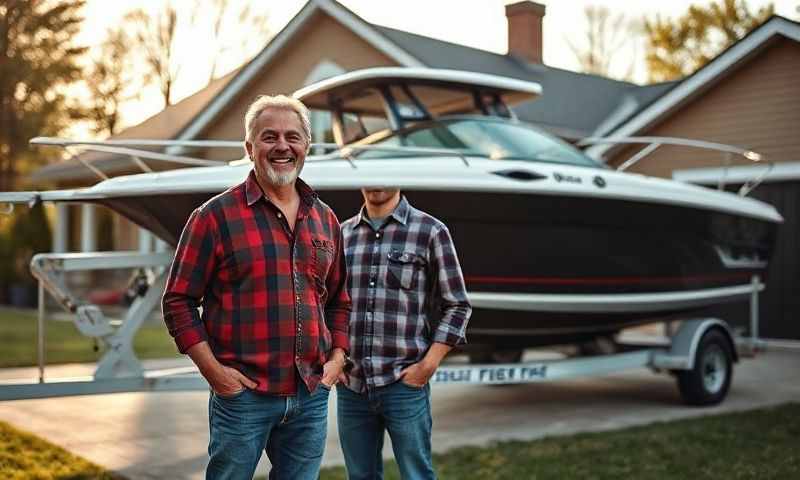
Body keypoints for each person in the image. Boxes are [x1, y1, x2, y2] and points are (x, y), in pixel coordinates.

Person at [162, 95, 351, 480]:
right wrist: (214, 372)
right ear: (250, 148)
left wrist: (337, 359)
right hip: (242, 398)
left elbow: (339, 299)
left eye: (293, 137)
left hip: (310, 395)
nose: (282, 146)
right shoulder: (214, 217)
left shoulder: (326, 218)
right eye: (269, 137)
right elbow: (178, 301)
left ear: (306, 147)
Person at [337, 188, 472, 479]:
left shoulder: (431, 231)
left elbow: (458, 305)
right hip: (352, 386)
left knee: (416, 474)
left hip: (404, 384)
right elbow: (326, 305)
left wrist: (428, 365)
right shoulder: (341, 235)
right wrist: (333, 359)